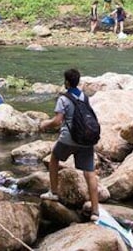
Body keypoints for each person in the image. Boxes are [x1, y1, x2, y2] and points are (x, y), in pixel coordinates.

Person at [39, 68, 100, 222]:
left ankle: (53, 192)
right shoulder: (84, 97)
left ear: (67, 82)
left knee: (54, 158)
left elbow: (57, 121)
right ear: (78, 82)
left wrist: (44, 124)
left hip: (69, 139)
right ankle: (95, 211)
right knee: (89, 172)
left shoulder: (63, 99)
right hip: (86, 139)